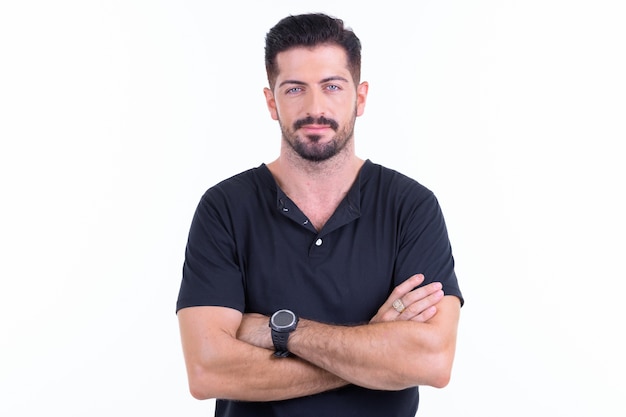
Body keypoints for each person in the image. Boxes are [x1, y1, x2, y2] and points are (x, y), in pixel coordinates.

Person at [176, 13, 464, 417]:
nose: (315, 108)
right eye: (295, 89)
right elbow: (207, 371)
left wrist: (280, 330)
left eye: (332, 86)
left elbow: (432, 362)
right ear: (271, 101)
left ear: (360, 97)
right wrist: (373, 348)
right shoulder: (225, 208)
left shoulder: (411, 207)